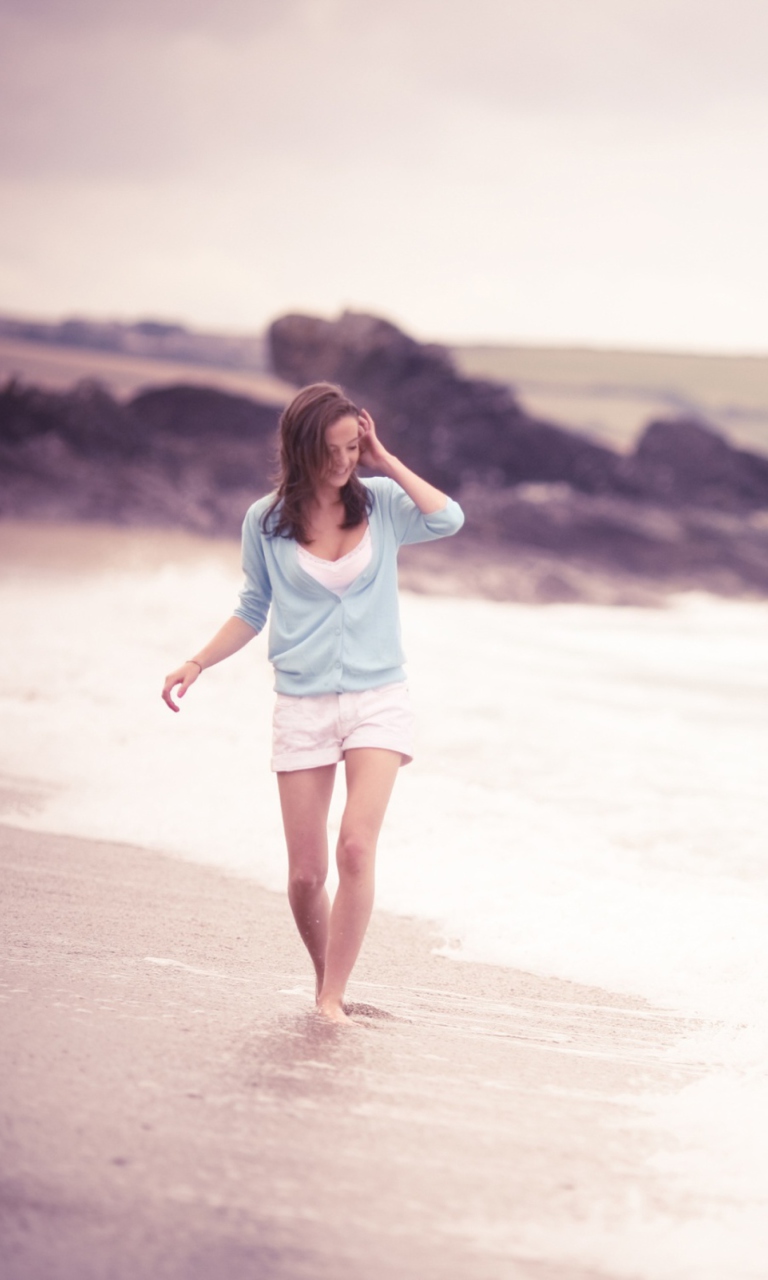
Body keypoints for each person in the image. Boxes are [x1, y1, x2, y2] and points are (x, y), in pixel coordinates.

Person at [161, 382, 464, 1023]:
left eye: (353, 447)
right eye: (333, 450)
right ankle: (327, 978)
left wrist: (385, 459)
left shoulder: (381, 502)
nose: (344, 462)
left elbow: (447, 518)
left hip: (378, 695)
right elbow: (251, 609)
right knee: (305, 876)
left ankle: (331, 999)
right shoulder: (265, 520)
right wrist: (196, 662)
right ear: (302, 451)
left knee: (355, 845)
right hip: (301, 701)